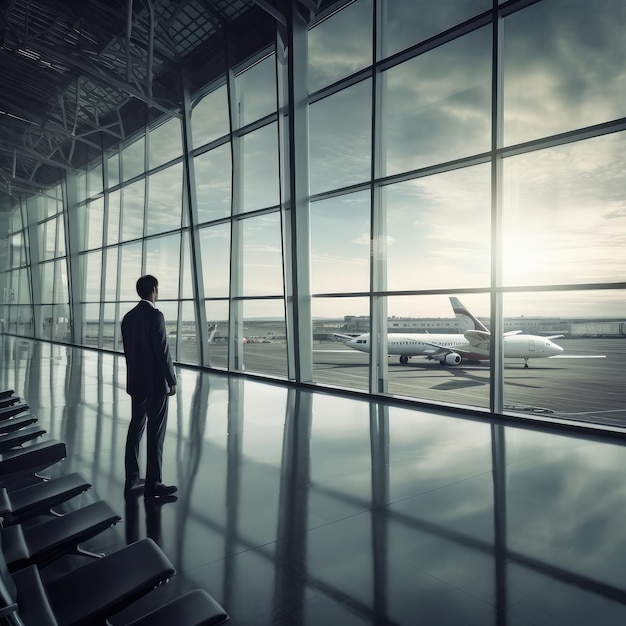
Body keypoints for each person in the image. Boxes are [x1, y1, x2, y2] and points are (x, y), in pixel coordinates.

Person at [121, 275, 177, 498]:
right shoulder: (155, 315)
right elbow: (162, 352)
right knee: (156, 433)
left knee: (136, 429)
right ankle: (154, 484)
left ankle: (132, 479)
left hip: (136, 382)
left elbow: (130, 353)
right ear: (154, 290)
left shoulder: (128, 318)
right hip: (155, 385)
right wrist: (171, 380)